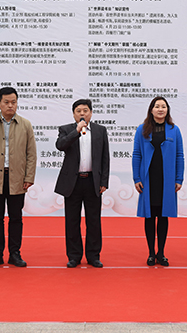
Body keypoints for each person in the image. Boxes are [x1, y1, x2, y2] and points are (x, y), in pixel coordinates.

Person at [0, 87, 37, 268]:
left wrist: (29, 177)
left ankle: (15, 253)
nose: (10, 105)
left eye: (13, 102)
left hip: (17, 178)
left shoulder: (25, 124)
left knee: (16, 217)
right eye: (7, 102)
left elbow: (31, 154)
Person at [55, 99, 110, 268]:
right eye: (78, 111)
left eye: (85, 110)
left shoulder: (100, 130)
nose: (82, 113)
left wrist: (104, 181)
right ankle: (74, 256)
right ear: (73, 114)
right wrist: (76, 131)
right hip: (73, 182)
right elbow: (60, 145)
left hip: (93, 181)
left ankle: (93, 256)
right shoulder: (66, 129)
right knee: (72, 221)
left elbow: (105, 158)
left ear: (91, 113)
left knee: (94, 221)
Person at [132, 96, 184, 267]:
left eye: (163, 106)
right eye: (157, 106)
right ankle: (150, 253)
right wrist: (137, 178)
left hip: (166, 179)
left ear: (167, 110)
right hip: (148, 179)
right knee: (149, 216)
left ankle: (161, 253)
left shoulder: (174, 130)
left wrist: (179, 178)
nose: (160, 109)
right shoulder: (142, 129)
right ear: (151, 110)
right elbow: (137, 154)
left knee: (163, 216)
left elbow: (180, 155)